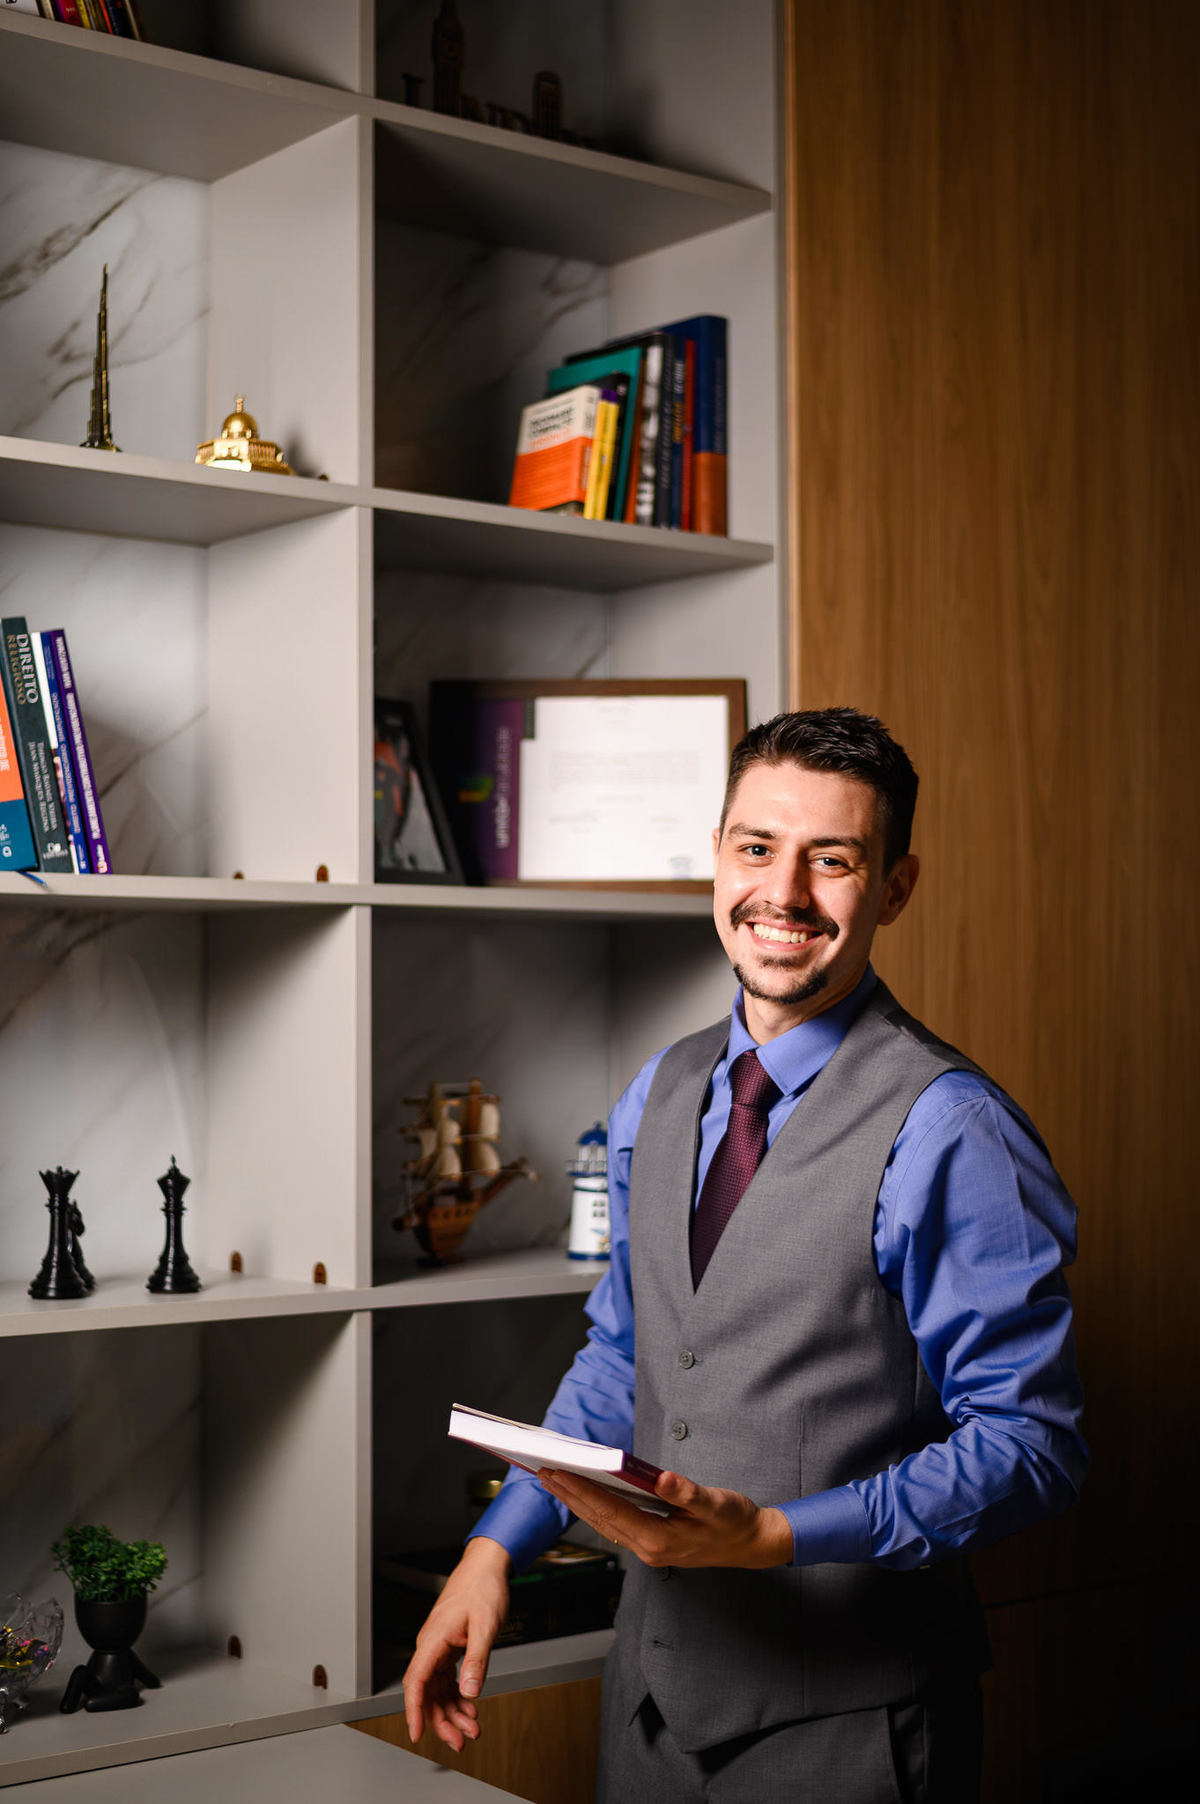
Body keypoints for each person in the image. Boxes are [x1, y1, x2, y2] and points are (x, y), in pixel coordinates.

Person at [402, 707, 1087, 1802]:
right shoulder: (661, 1089)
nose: (785, 893)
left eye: (835, 859)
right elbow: (628, 1359)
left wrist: (777, 1534)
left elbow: (1033, 1443)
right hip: (648, 1708)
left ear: (895, 889)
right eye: (757, 847)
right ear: (716, 856)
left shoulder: (951, 1127)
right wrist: (494, 1550)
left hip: (855, 1727)